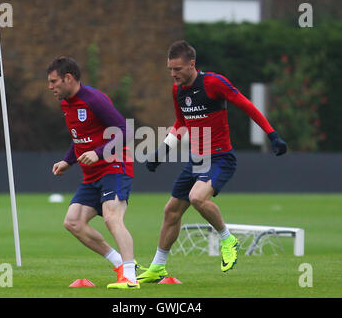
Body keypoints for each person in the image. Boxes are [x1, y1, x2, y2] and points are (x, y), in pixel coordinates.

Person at [137, 40, 287, 283]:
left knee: (197, 197)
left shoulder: (213, 83)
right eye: (170, 70)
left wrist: (272, 135)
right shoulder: (178, 90)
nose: (173, 75)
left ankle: (228, 240)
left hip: (220, 158)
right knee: (171, 211)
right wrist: (162, 151)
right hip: (196, 160)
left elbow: (247, 106)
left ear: (191, 64)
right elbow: (182, 123)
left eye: (177, 69)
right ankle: (158, 267)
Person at [47, 56, 139, 289]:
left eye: (54, 81)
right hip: (92, 176)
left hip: (114, 166)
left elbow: (126, 131)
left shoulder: (94, 99)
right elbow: (80, 138)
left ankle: (130, 278)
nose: (50, 87)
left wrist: (99, 153)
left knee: (111, 217)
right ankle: (120, 263)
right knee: (73, 222)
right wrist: (68, 161)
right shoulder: (66, 104)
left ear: (69, 78)